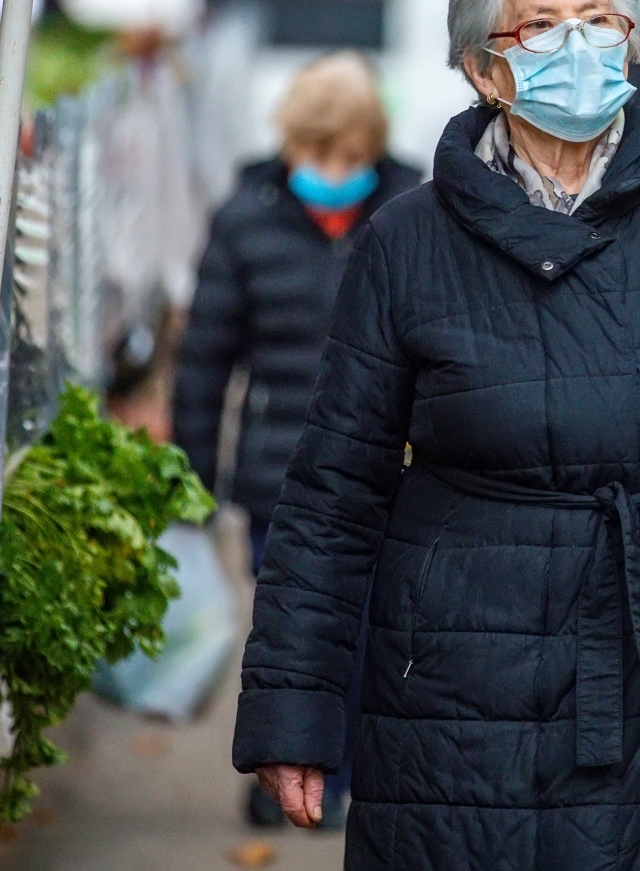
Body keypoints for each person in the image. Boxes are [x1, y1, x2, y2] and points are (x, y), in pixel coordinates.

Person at [232, 0, 640, 867]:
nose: (578, 47)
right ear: (482, 69)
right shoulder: (406, 243)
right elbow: (333, 496)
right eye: (542, 28)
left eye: (599, 22)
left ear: (632, 44)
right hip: (454, 692)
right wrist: (292, 711)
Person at [171, 51, 419, 827]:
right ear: (289, 145)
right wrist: (193, 480)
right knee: (293, 629)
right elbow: (205, 360)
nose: (332, 171)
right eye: (317, 154)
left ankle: (340, 781)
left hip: (392, 471)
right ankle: (281, 771)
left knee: (372, 626)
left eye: (349, 156)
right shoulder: (246, 216)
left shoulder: (415, 210)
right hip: (282, 472)